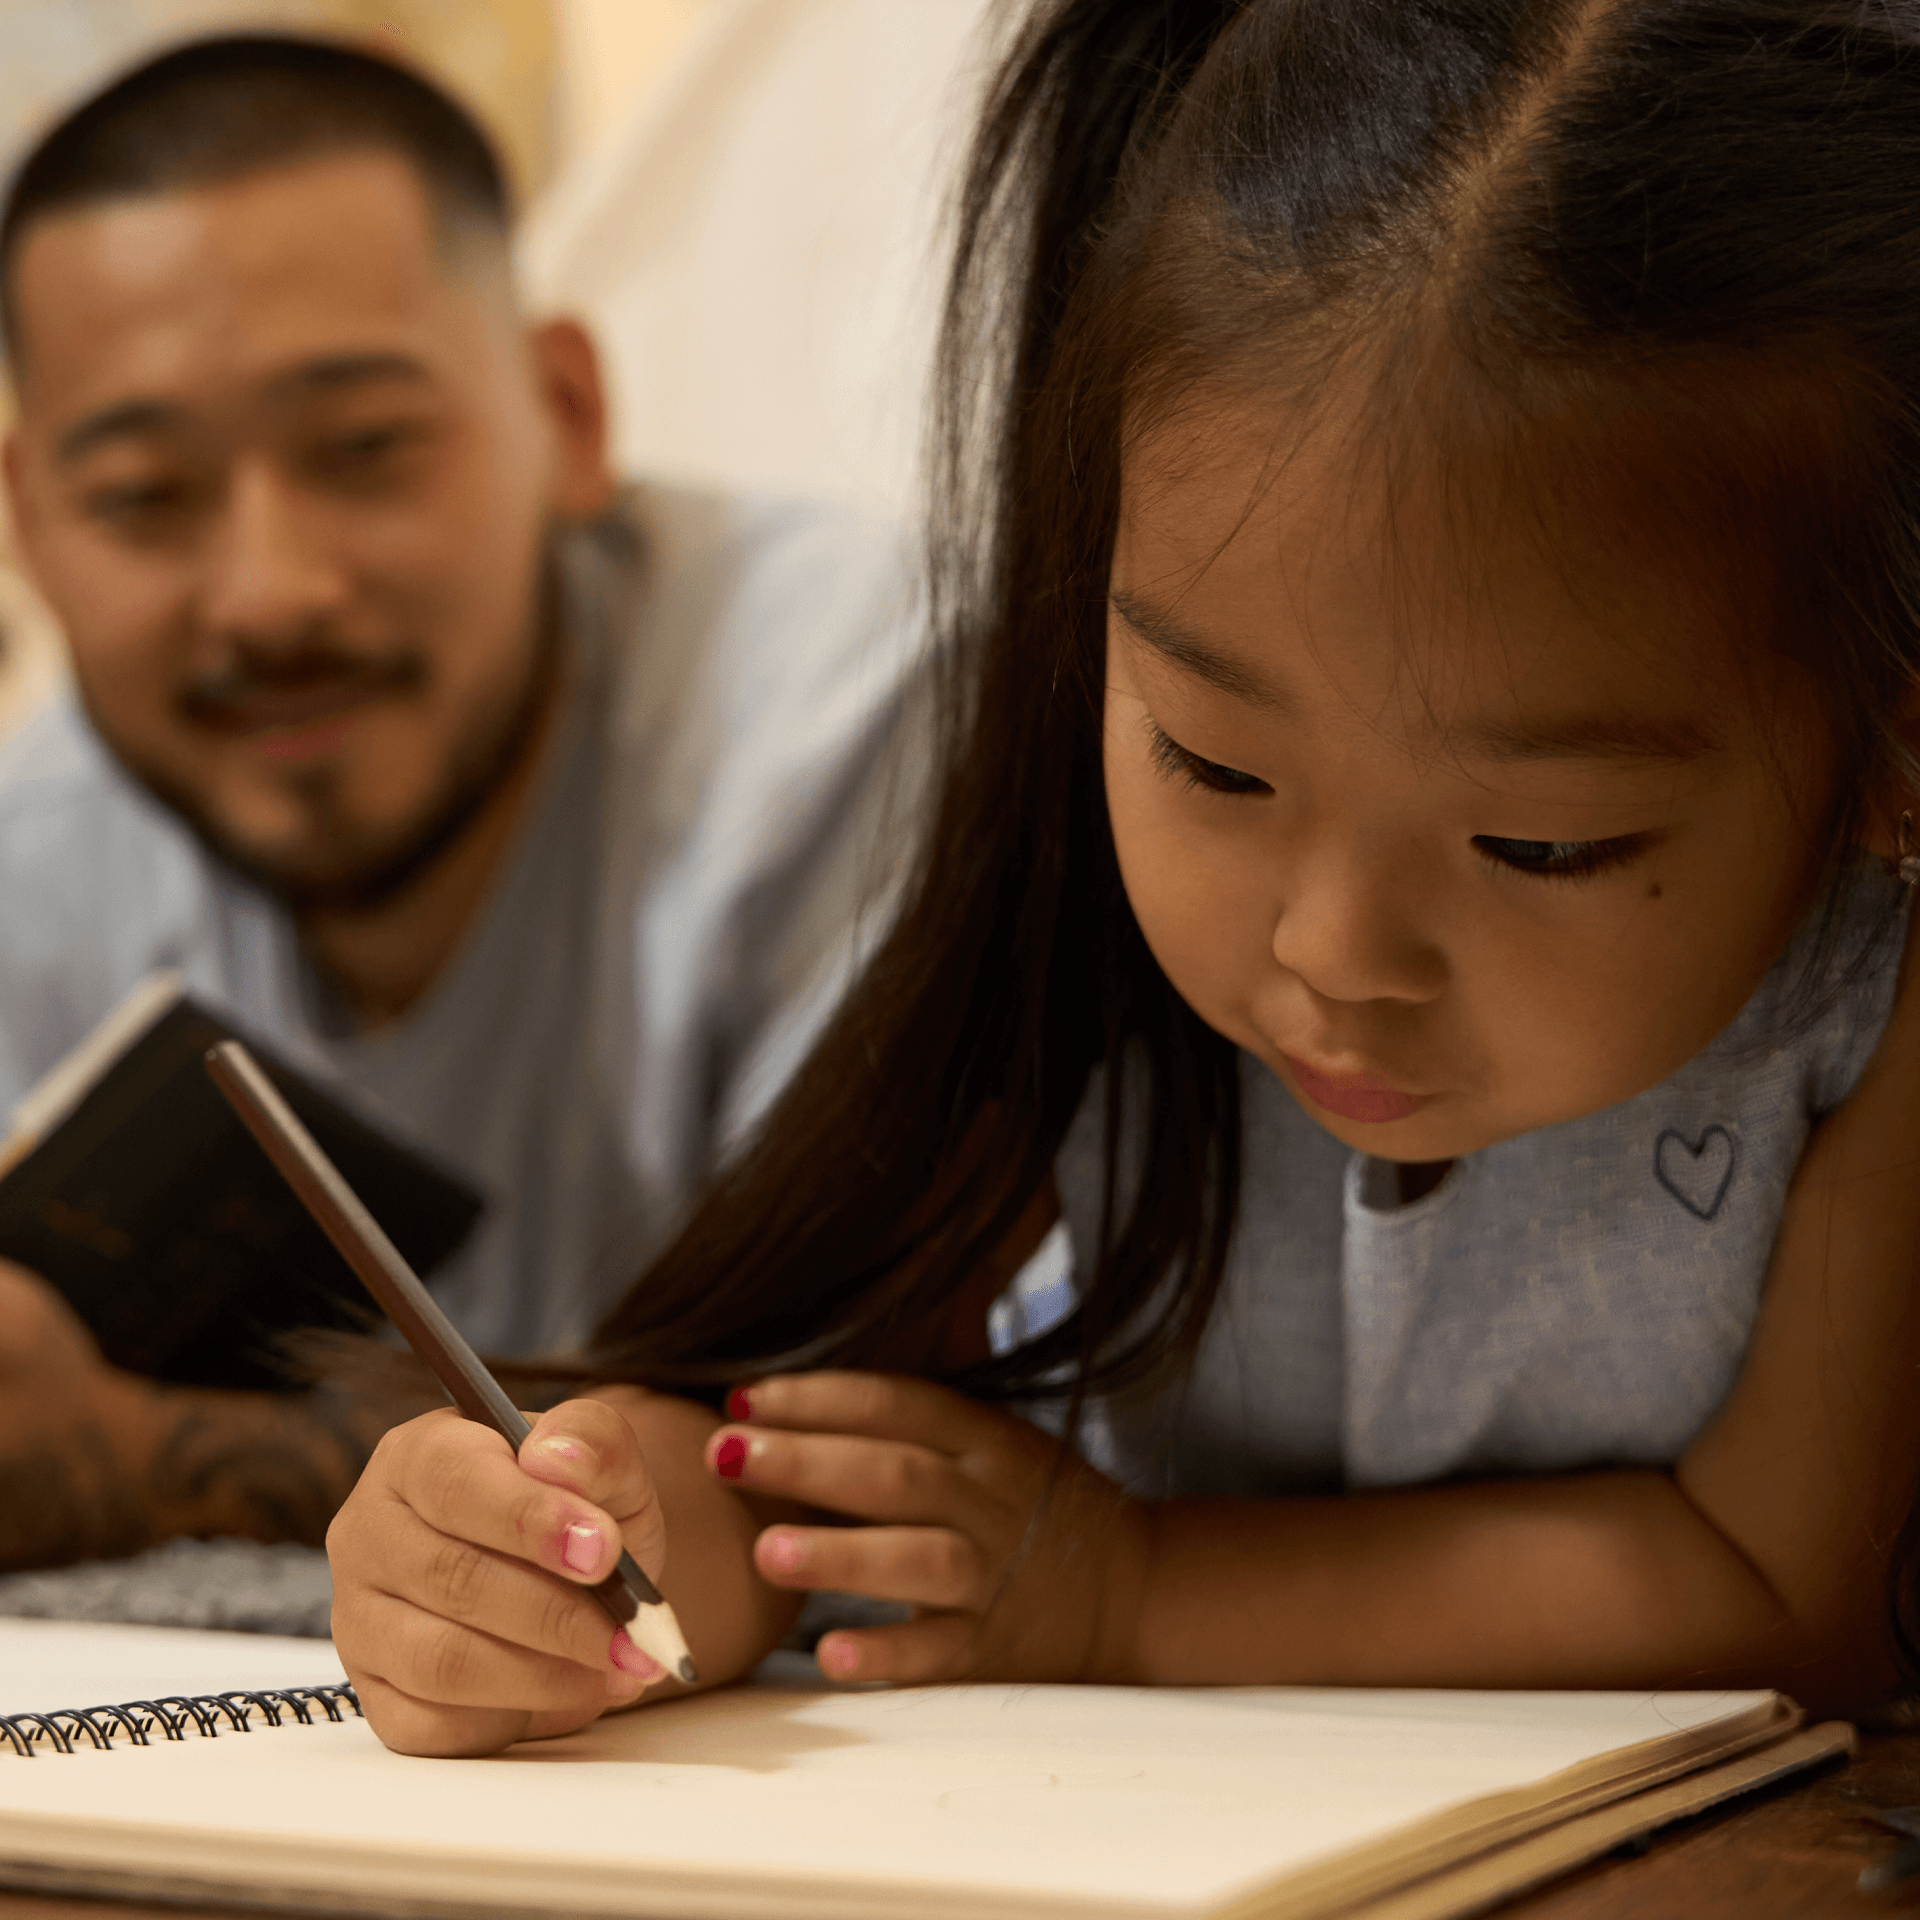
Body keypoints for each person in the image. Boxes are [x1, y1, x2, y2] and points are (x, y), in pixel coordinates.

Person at [327, 0, 1920, 1757]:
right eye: (1215, 762)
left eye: (1540, 843)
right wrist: (559, 1561)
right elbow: (777, 1463)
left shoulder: (1870, 998)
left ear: (1889, 748)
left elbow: (1795, 1593)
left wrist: (1137, 1592)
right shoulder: (1075, 925)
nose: (1332, 952)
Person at [0, 38, 920, 1571]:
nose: (271, 594)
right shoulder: (38, 852)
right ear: (28, 527)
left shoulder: (854, 733)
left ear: (565, 412)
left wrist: (150, 1458)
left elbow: (892, 1460)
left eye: (366, 450)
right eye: (147, 495)